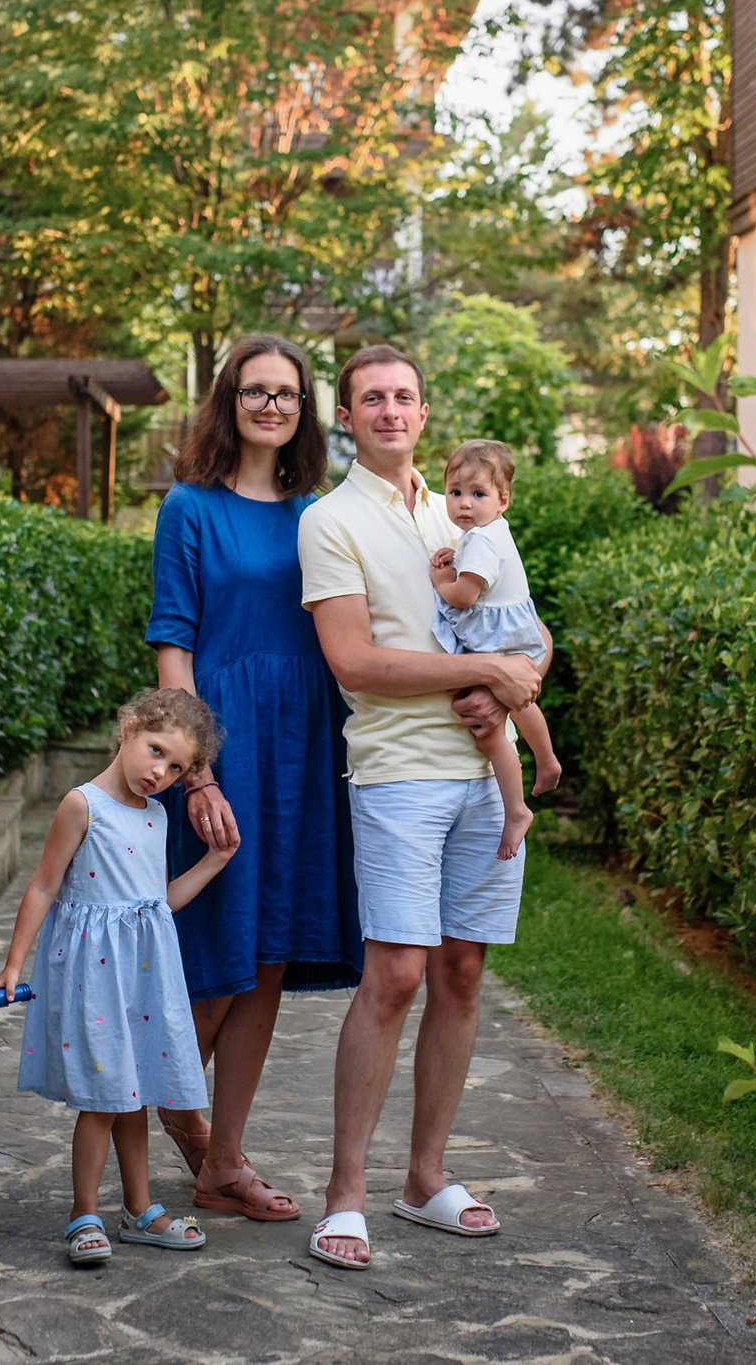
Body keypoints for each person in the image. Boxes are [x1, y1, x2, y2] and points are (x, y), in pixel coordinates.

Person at [295, 345, 548, 1273]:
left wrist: (518, 676)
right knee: (396, 972)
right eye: (372, 399)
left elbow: (530, 625)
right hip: (400, 770)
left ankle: (424, 1179)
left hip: (489, 771)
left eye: (403, 396)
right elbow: (354, 661)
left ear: (424, 412)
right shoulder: (329, 521)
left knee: (464, 971)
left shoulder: (464, 506)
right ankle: (346, 1195)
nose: (390, 410)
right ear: (349, 418)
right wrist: (479, 670)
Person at [145, 334, 362, 1224]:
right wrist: (196, 771)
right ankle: (147, 1103)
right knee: (215, 962)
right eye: (255, 389)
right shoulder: (188, 507)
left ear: (304, 409)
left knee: (267, 954)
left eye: (288, 393)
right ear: (227, 398)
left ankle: (221, 1159)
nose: (272, 404)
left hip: (305, 743)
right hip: (224, 738)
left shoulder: (318, 511)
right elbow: (172, 641)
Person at [0, 688, 237, 1266]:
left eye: (176, 767)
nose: (161, 772)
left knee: (137, 1095)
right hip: (95, 980)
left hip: (144, 981)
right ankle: (84, 1214)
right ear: (128, 729)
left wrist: (214, 861)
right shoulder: (83, 805)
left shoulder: (155, 816)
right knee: (103, 1099)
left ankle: (141, 1210)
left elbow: (157, 903)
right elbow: (45, 886)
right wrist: (13, 964)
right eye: (155, 751)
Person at [427, 438, 560, 860]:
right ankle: (547, 757)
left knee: (491, 735)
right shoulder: (487, 533)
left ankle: (517, 809)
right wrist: (458, 552)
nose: (464, 504)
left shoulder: (482, 541)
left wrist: (440, 581)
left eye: (478, 494)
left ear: (503, 499)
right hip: (514, 633)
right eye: (456, 493)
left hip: (498, 641)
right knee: (519, 705)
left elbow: (465, 594)